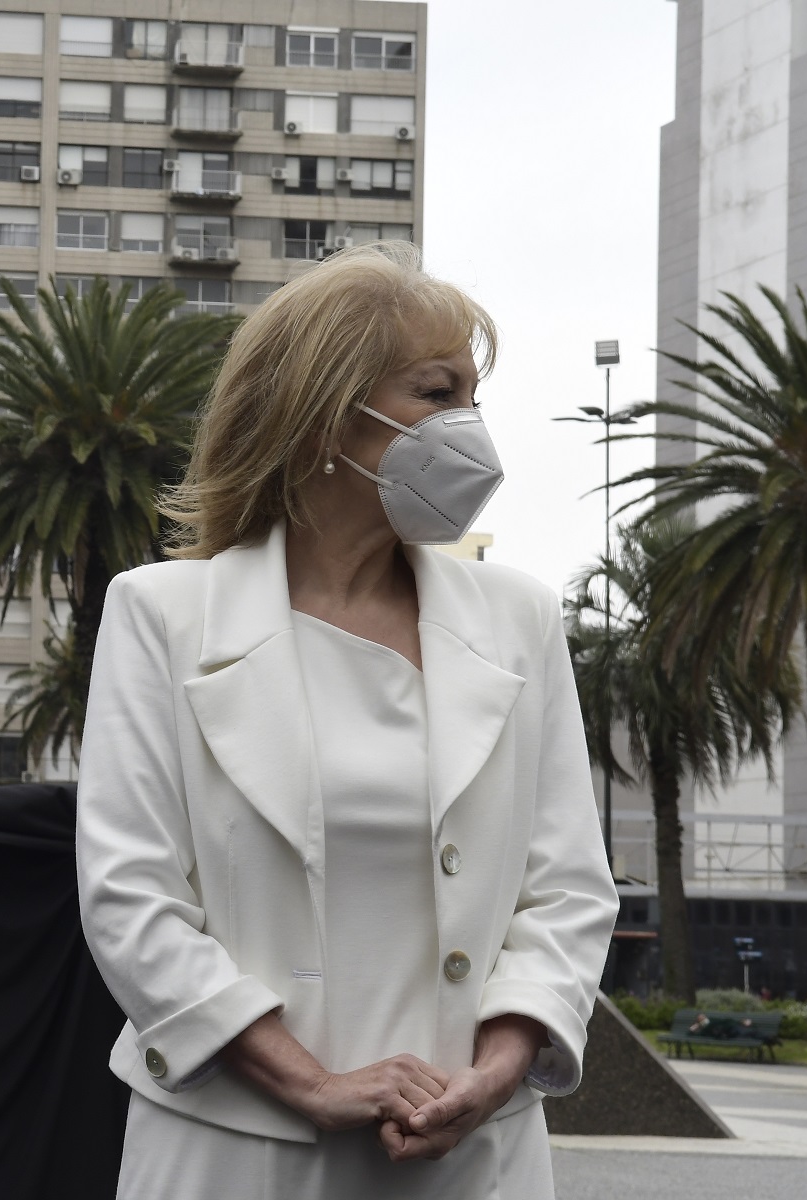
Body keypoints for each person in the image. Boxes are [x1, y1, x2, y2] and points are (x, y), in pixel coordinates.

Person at [75, 244, 619, 1198]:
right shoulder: (162, 613)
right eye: (437, 392)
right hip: (235, 1153)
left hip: (472, 1159)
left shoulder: (520, 620)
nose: (471, 429)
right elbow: (131, 897)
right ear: (327, 410)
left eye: (475, 399)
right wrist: (311, 1082)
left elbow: (568, 889)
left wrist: (496, 1072)